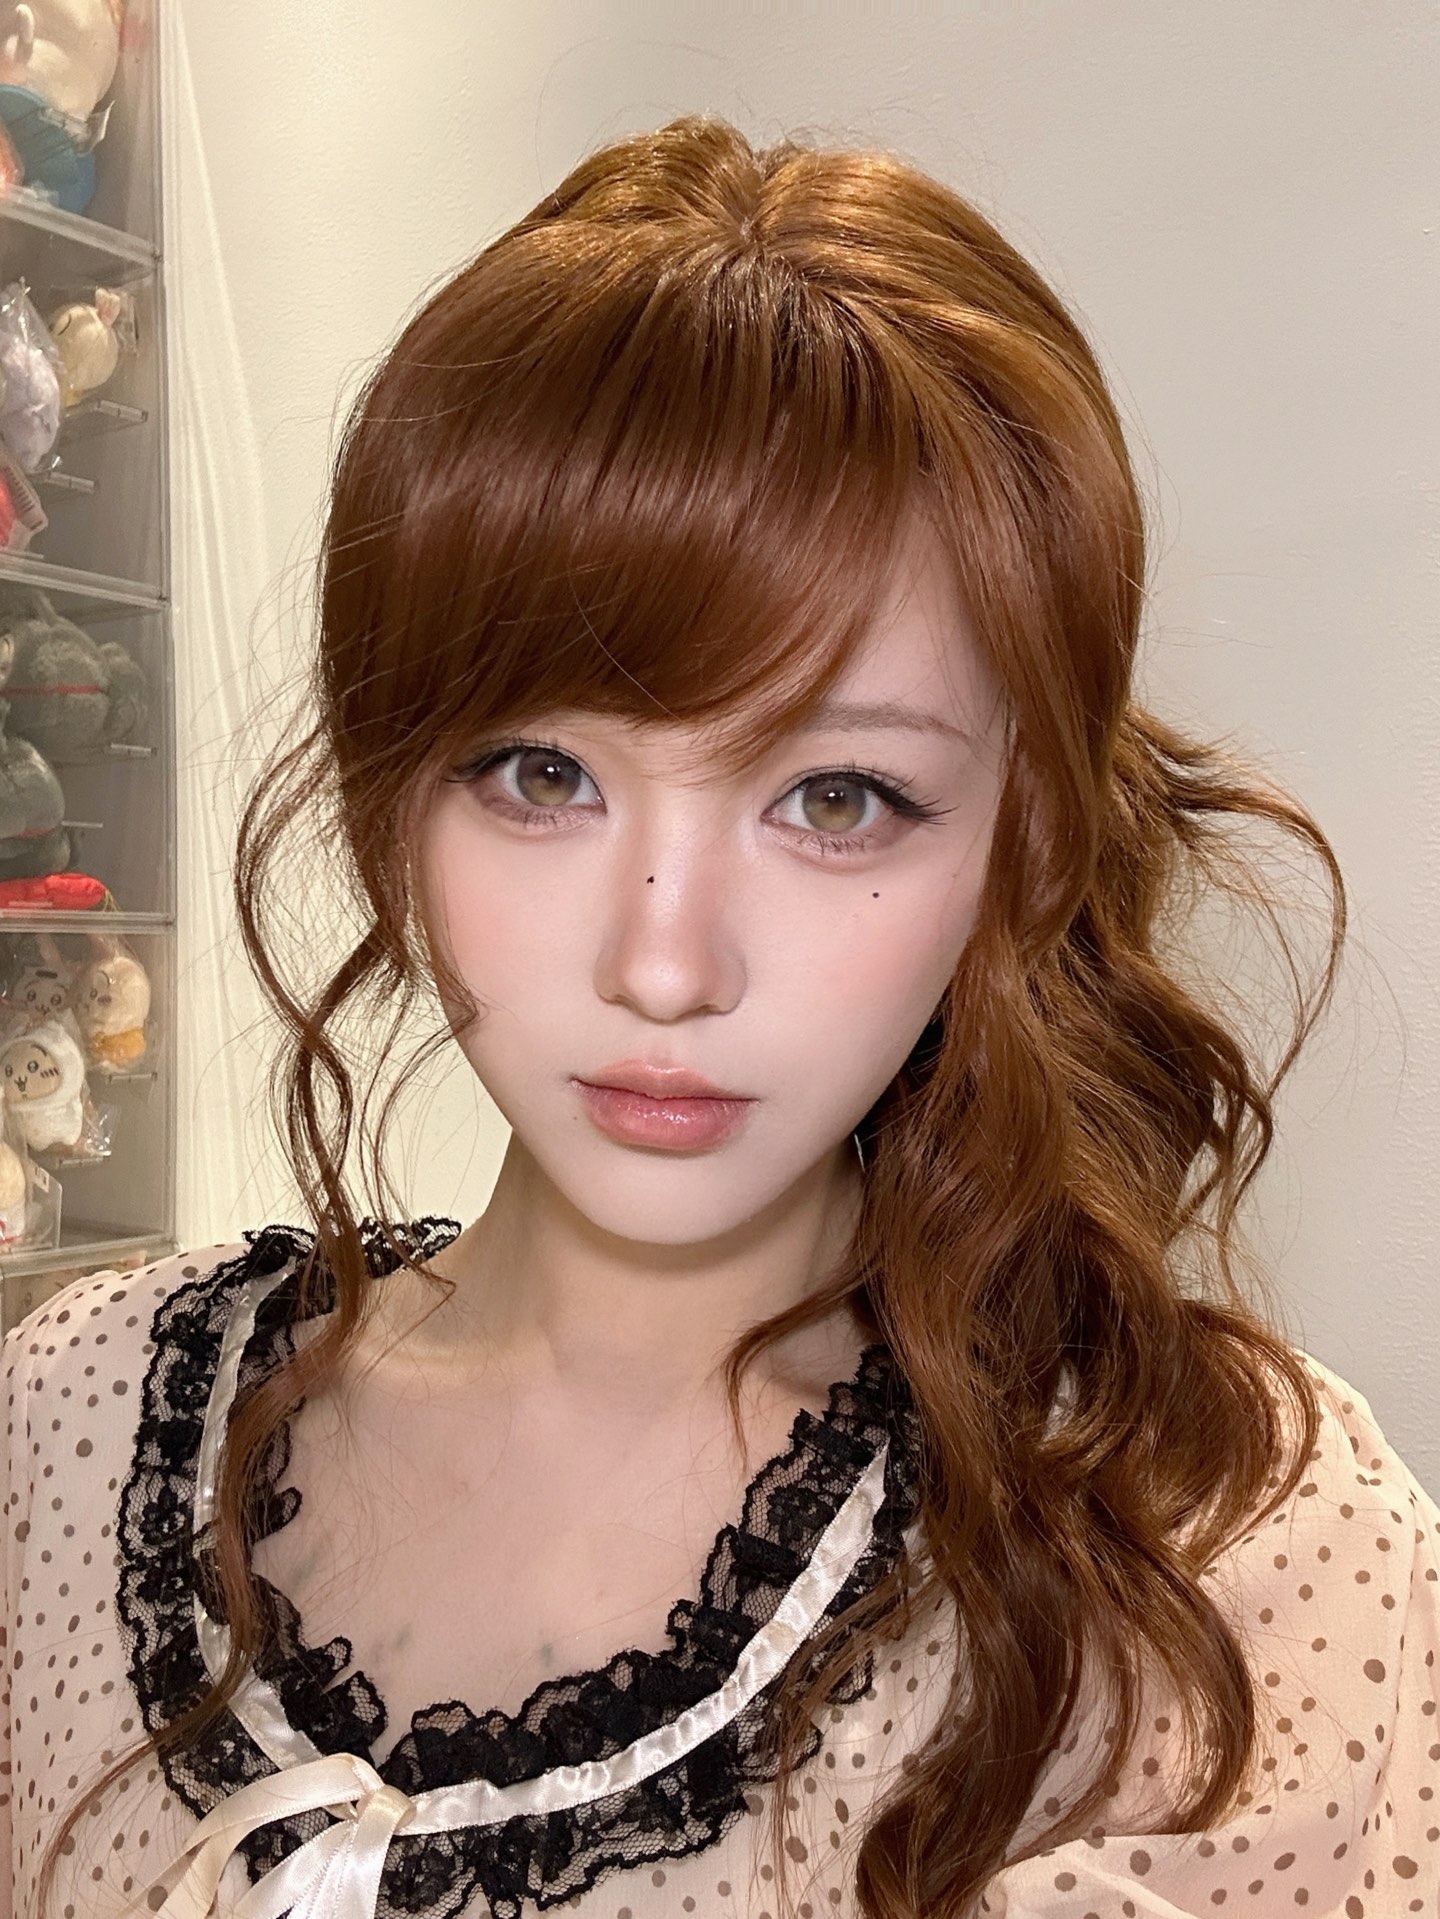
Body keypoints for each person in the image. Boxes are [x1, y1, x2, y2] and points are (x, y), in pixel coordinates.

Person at [4, 112, 1437, 1919]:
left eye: (838, 799)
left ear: (1021, 839)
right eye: (540, 774)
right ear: (389, 790)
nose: (665, 966)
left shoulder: (1231, 1558)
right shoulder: (69, 1419)